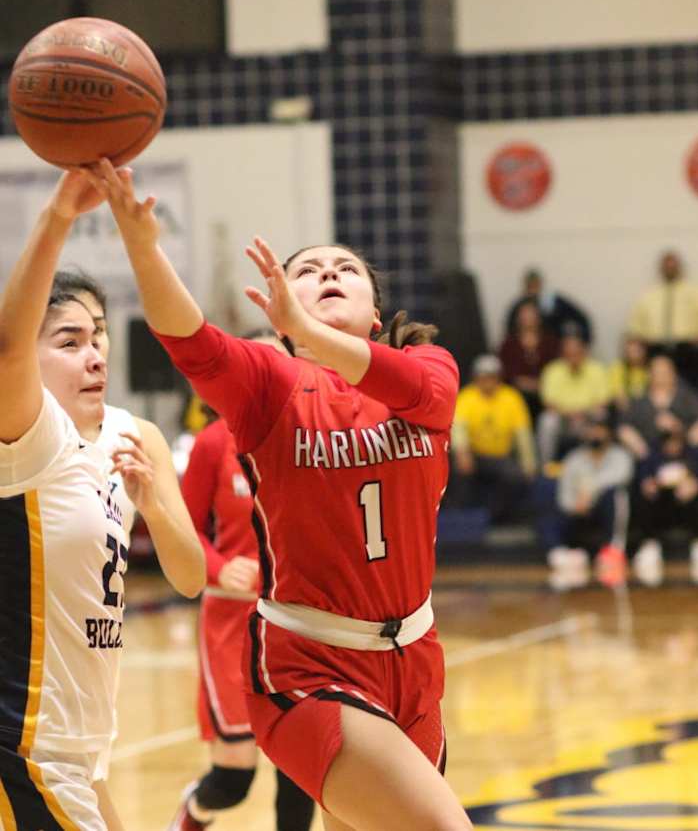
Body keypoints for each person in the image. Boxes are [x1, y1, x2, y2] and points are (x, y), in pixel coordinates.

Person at [89, 158, 471, 831]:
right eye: (308, 270)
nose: (328, 273)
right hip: (309, 662)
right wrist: (142, 246)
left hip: (414, 657)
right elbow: (189, 341)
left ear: (376, 313)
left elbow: (419, 389)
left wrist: (308, 331)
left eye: (345, 268)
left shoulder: (428, 368)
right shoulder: (269, 382)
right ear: (281, 308)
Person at [0, 171, 205, 831]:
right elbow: (6, 348)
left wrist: (155, 504)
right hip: (24, 741)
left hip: (83, 746)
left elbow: (191, 577)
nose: (93, 356)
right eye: (68, 342)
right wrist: (59, 215)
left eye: (98, 337)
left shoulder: (134, 436)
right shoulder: (30, 438)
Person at [168, 334, 315, 831]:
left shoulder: (311, 437)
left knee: (300, 771)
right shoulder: (214, 442)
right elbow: (183, 529)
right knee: (233, 780)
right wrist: (217, 568)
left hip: (298, 622)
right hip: (233, 621)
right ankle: (191, 814)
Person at [540, 414, 632, 591]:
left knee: (616, 495)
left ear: (608, 433)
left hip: (603, 511)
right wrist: (575, 505)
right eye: (592, 431)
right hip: (577, 512)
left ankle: (613, 551)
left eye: (600, 431)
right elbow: (564, 494)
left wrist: (590, 492)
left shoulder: (620, 456)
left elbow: (621, 476)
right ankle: (559, 552)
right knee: (546, 504)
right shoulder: (574, 458)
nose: (595, 435)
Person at [451, 355, 536, 523]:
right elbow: (458, 428)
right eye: (483, 377)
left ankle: (494, 518)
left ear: (498, 377)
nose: (487, 381)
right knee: (456, 471)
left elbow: (522, 434)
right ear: (476, 378)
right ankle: (461, 519)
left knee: (514, 476)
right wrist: (462, 452)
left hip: (500, 456)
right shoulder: (466, 397)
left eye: (491, 377)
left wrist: (528, 462)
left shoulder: (511, 397)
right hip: (473, 454)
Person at [631, 425, 698, 587]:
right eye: (670, 443)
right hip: (661, 505)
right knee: (644, 499)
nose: (673, 446)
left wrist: (695, 485)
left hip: (689, 505)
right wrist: (653, 485)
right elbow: (644, 482)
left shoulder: (694, 455)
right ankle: (650, 544)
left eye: (677, 442)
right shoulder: (652, 457)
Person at [627, 250, 698, 387]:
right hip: (656, 349)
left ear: (679, 267)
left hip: (687, 350)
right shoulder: (648, 295)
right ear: (661, 268)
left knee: (690, 388)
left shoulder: (695, 293)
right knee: (657, 387)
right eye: (667, 266)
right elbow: (635, 329)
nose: (670, 268)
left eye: (673, 265)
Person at [537, 327, 609, 466]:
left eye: (577, 354)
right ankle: (547, 465)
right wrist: (570, 414)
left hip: (588, 417)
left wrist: (583, 413)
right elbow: (548, 403)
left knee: (601, 414)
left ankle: (596, 464)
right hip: (563, 419)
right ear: (562, 354)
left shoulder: (597, 369)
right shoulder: (552, 370)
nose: (573, 358)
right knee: (547, 420)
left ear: (584, 352)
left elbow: (603, 401)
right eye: (569, 355)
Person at [618, 355, 698, 464]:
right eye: (657, 373)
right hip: (649, 455)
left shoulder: (687, 397)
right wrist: (642, 450)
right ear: (649, 374)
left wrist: (679, 430)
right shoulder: (639, 399)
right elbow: (624, 427)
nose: (661, 377)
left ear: (673, 374)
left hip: (685, 451)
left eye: (665, 373)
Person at [498, 300, 559, 420]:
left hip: (547, 389)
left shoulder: (550, 341)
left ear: (539, 318)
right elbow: (504, 370)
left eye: (532, 315)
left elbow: (557, 367)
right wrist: (520, 382)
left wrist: (543, 382)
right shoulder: (509, 344)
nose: (528, 319)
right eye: (524, 316)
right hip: (518, 391)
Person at [505, 268, 592, 344]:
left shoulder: (555, 302)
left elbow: (579, 317)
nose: (533, 290)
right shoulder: (519, 306)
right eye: (530, 286)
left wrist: (585, 339)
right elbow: (510, 330)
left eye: (535, 285)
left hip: (554, 349)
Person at [607, 334, 649, 412]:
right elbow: (618, 396)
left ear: (644, 350)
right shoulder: (618, 369)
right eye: (629, 351)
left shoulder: (650, 369)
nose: (632, 354)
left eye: (636, 351)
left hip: (648, 409)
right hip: (625, 411)